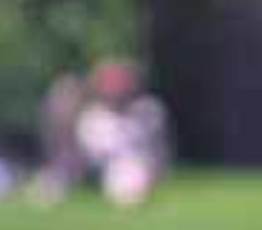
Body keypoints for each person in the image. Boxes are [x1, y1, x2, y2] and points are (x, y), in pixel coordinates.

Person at [32, 58, 170, 207]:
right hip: (92, 169)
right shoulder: (92, 116)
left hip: (132, 167)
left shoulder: (147, 110)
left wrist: (153, 172)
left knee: (127, 173)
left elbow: (157, 151)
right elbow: (84, 152)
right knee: (55, 178)